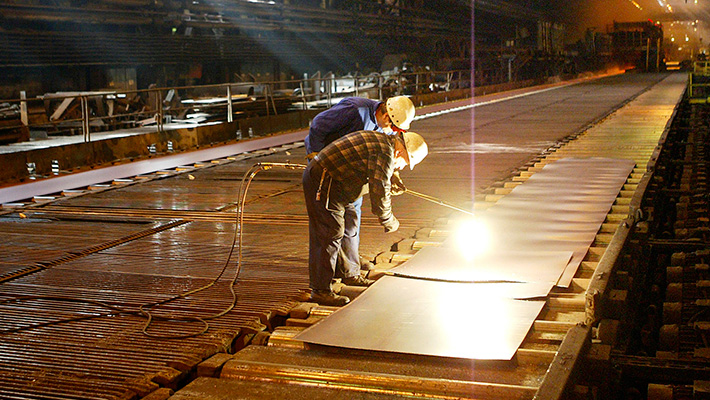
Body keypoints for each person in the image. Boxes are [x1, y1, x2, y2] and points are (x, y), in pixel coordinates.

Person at [303, 130, 428, 306]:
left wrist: (392, 178)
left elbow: (379, 177)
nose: (402, 167)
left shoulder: (386, 144)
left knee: (350, 226)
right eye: (405, 163)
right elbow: (380, 192)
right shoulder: (385, 152)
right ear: (400, 152)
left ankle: (350, 274)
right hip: (323, 181)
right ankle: (320, 290)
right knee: (329, 234)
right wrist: (389, 220)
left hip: (341, 184)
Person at [304, 96, 416, 277]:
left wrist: (391, 175)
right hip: (328, 170)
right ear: (387, 116)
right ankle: (324, 282)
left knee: (352, 218)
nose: (394, 133)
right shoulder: (355, 111)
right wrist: (315, 155)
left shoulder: (386, 129)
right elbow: (317, 125)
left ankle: (350, 263)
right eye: (395, 129)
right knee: (330, 226)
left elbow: (384, 158)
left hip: (350, 176)